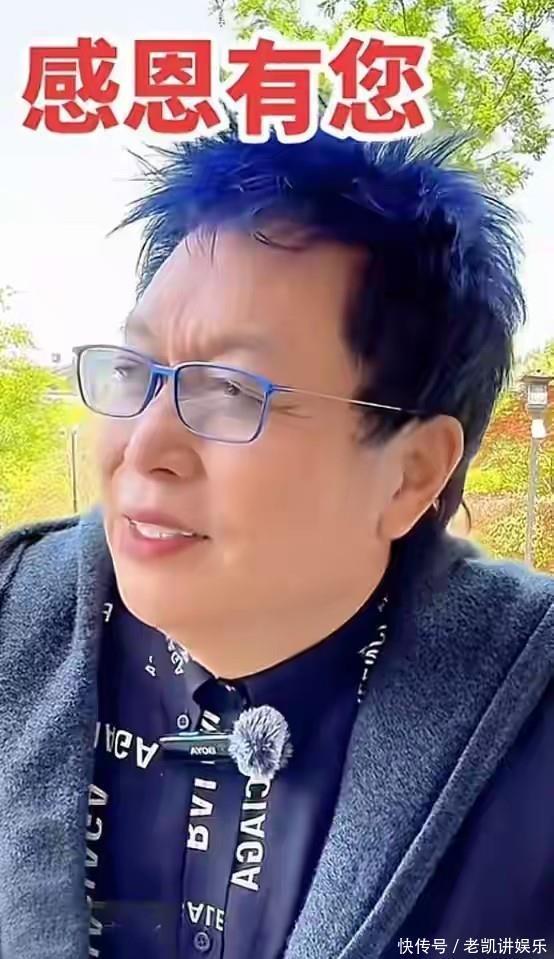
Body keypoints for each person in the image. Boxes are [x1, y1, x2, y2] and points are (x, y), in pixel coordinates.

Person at [0, 128, 553, 959]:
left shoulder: (530, 733)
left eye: (229, 390)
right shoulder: (17, 628)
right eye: (135, 370)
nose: (145, 446)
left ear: (409, 475)